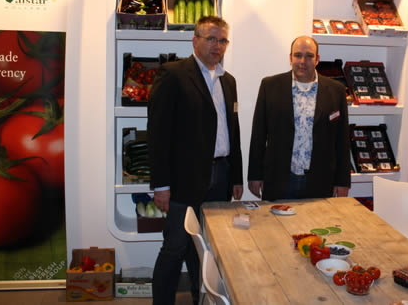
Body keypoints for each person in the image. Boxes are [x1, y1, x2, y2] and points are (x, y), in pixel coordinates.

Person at [148, 16, 243, 305]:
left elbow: (233, 131)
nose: (217, 45)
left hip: (221, 176)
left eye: (222, 40)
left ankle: (198, 299)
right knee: (175, 247)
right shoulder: (173, 74)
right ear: (195, 40)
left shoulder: (228, 81)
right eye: (211, 38)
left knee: (206, 248)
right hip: (183, 179)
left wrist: (237, 176)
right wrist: (161, 185)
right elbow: (158, 133)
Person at [247, 36, 351, 201]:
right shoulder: (270, 86)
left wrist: (343, 181)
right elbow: (258, 135)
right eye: (298, 55)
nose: (303, 61)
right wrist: (254, 175)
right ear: (290, 58)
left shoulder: (336, 90)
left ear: (317, 59)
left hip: (320, 180)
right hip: (278, 178)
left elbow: (342, 140)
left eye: (309, 56)